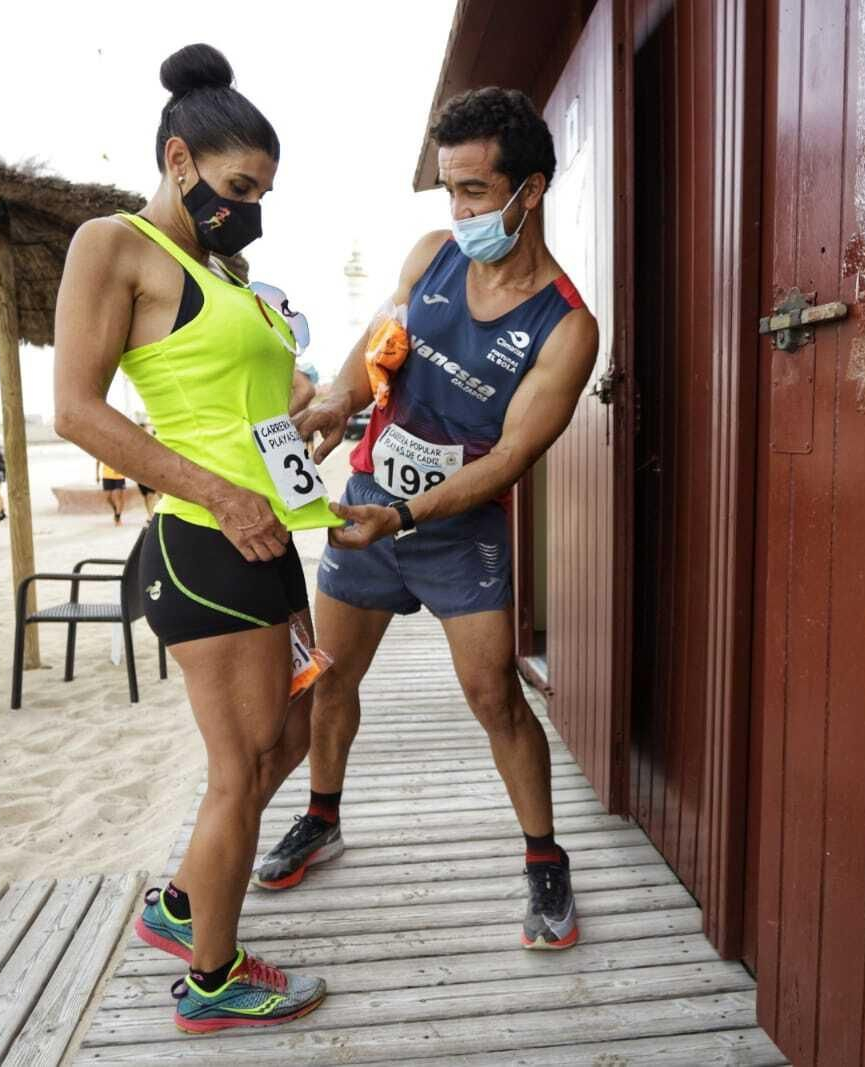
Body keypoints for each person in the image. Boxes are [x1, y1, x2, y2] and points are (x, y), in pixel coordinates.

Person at [262, 87, 599, 952]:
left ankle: (544, 858)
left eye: (476, 192)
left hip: (454, 527)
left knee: (495, 698)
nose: (459, 210)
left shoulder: (566, 328)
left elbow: (508, 460)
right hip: (370, 503)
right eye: (450, 190)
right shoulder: (431, 255)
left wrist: (407, 514)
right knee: (331, 677)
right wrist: (335, 403)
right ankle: (323, 816)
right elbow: (378, 344)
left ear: (531, 191)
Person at [52, 43, 340, 1033]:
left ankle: (180, 903)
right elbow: (80, 412)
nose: (251, 204)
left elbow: (259, 404)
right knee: (241, 762)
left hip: (269, 537)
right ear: (180, 161)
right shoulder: (114, 243)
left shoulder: (225, 271)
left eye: (262, 190)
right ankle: (211, 978)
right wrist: (222, 491)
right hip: (204, 539)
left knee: (292, 733)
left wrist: (308, 419)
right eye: (238, 184)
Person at [135, 423, 161, 520]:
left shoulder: (150, 442)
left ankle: (151, 516)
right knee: (146, 496)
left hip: (150, 473)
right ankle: (149, 514)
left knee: (151, 495)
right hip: (139, 474)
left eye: (143, 429)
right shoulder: (134, 444)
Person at [97, 457, 128, 525]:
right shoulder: (103, 450)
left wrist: (122, 469)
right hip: (107, 476)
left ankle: (118, 517)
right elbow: (98, 461)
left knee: (118, 497)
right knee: (108, 497)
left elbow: (125, 461)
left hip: (119, 476)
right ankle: (116, 509)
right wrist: (97, 475)